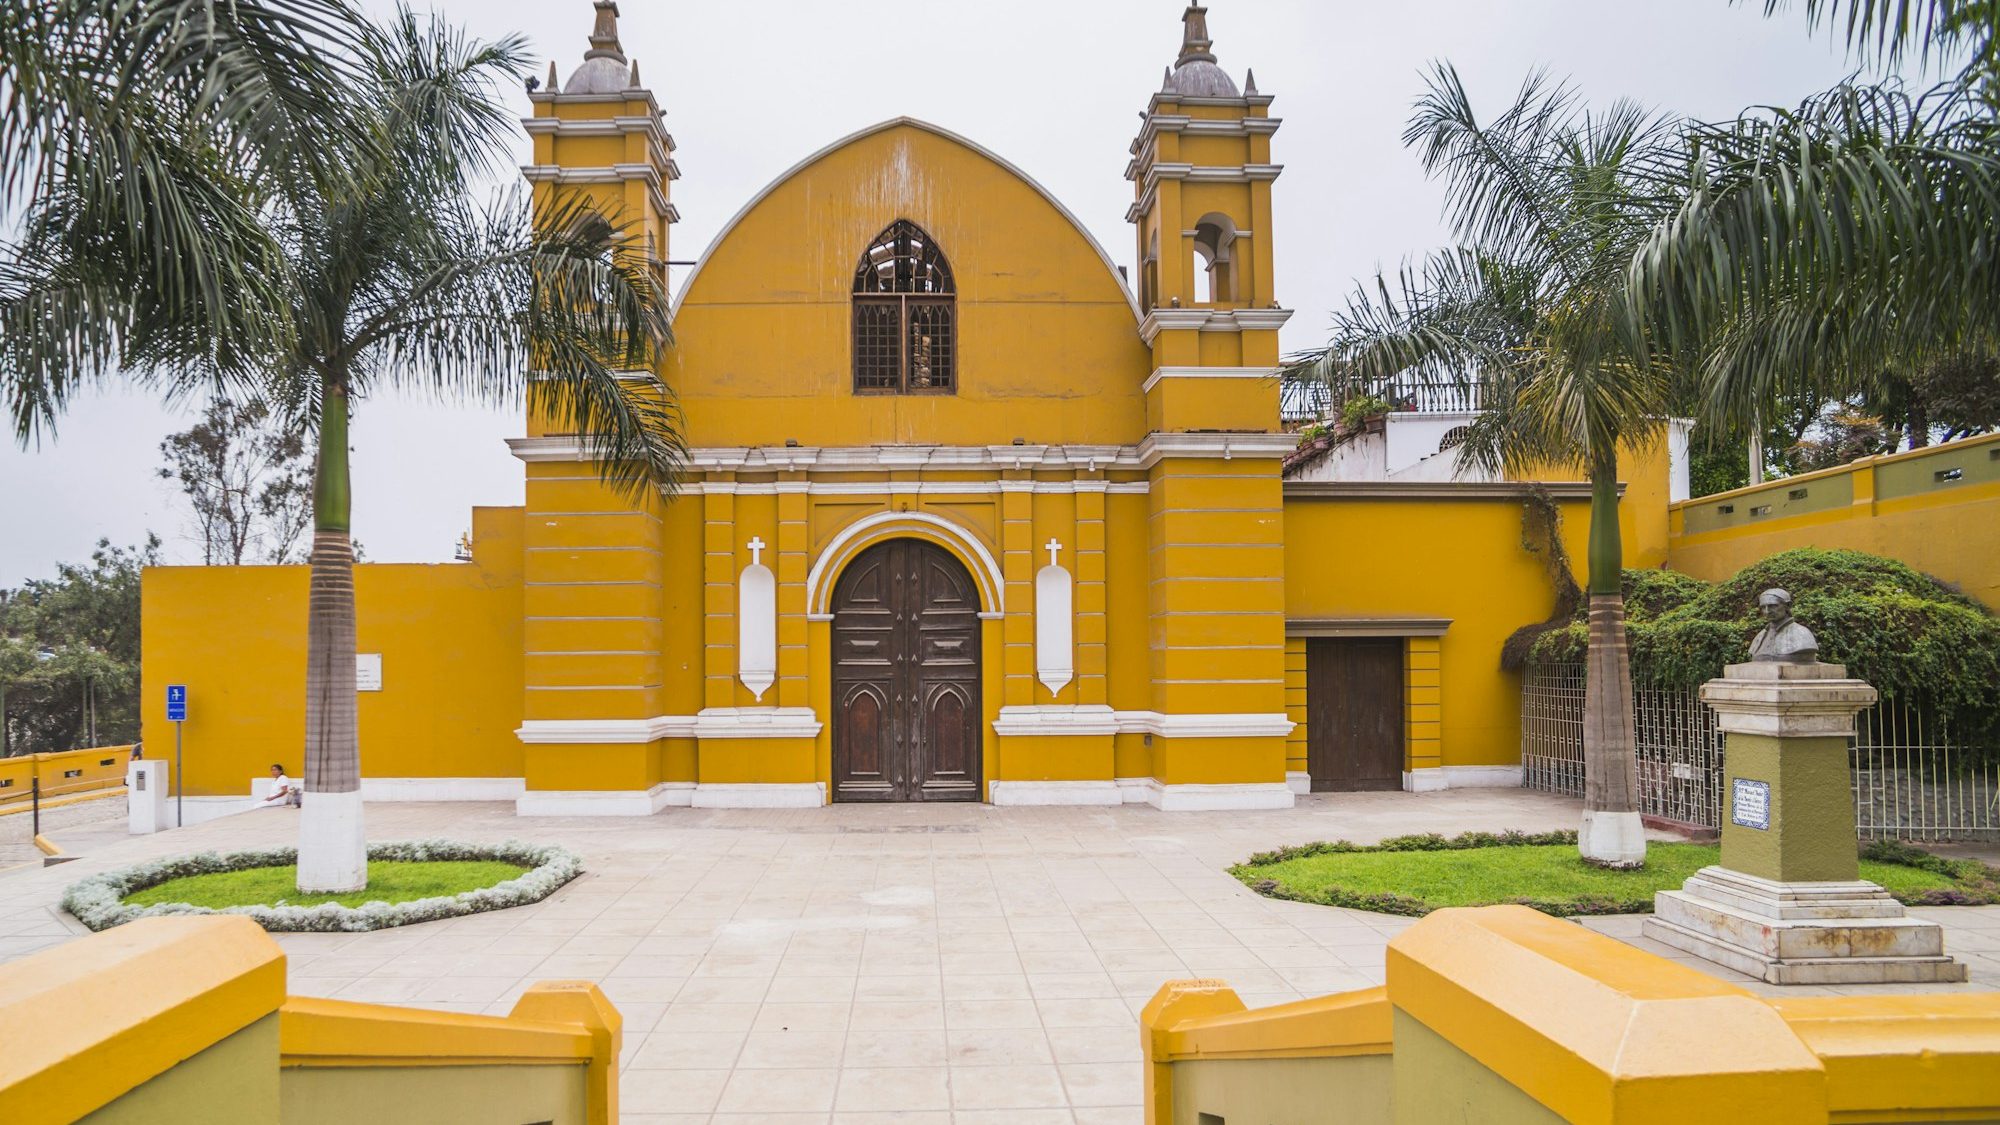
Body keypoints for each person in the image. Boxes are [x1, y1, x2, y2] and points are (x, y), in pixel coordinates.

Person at [1748, 588, 1818, 664]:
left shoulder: (1802, 634)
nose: (1767, 611)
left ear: (1788, 605)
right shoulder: (1760, 636)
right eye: (1763, 607)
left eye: (1773, 606)